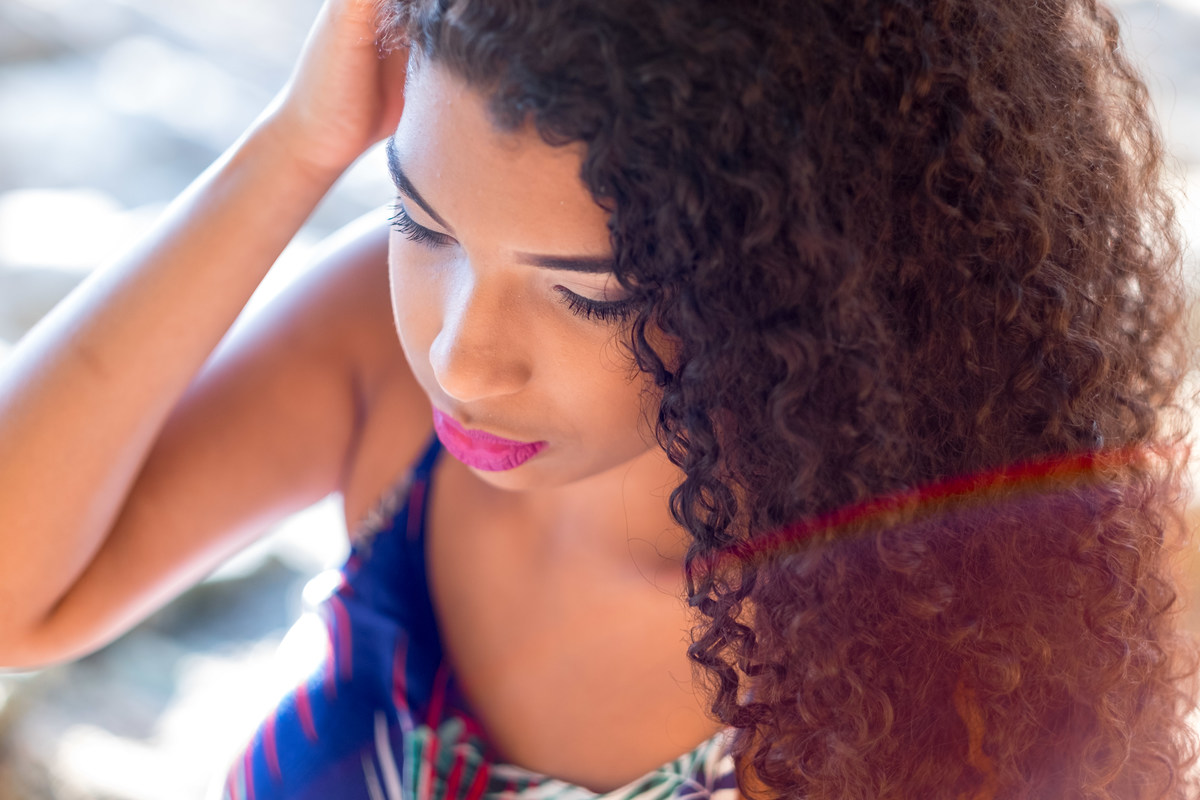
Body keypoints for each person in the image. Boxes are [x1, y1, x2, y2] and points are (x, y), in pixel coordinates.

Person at [0, 0, 1196, 797]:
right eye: (421, 219)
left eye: (594, 295)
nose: (466, 359)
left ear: (815, 265)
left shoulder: (1041, 582)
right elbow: (19, 599)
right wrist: (293, 146)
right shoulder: (376, 343)